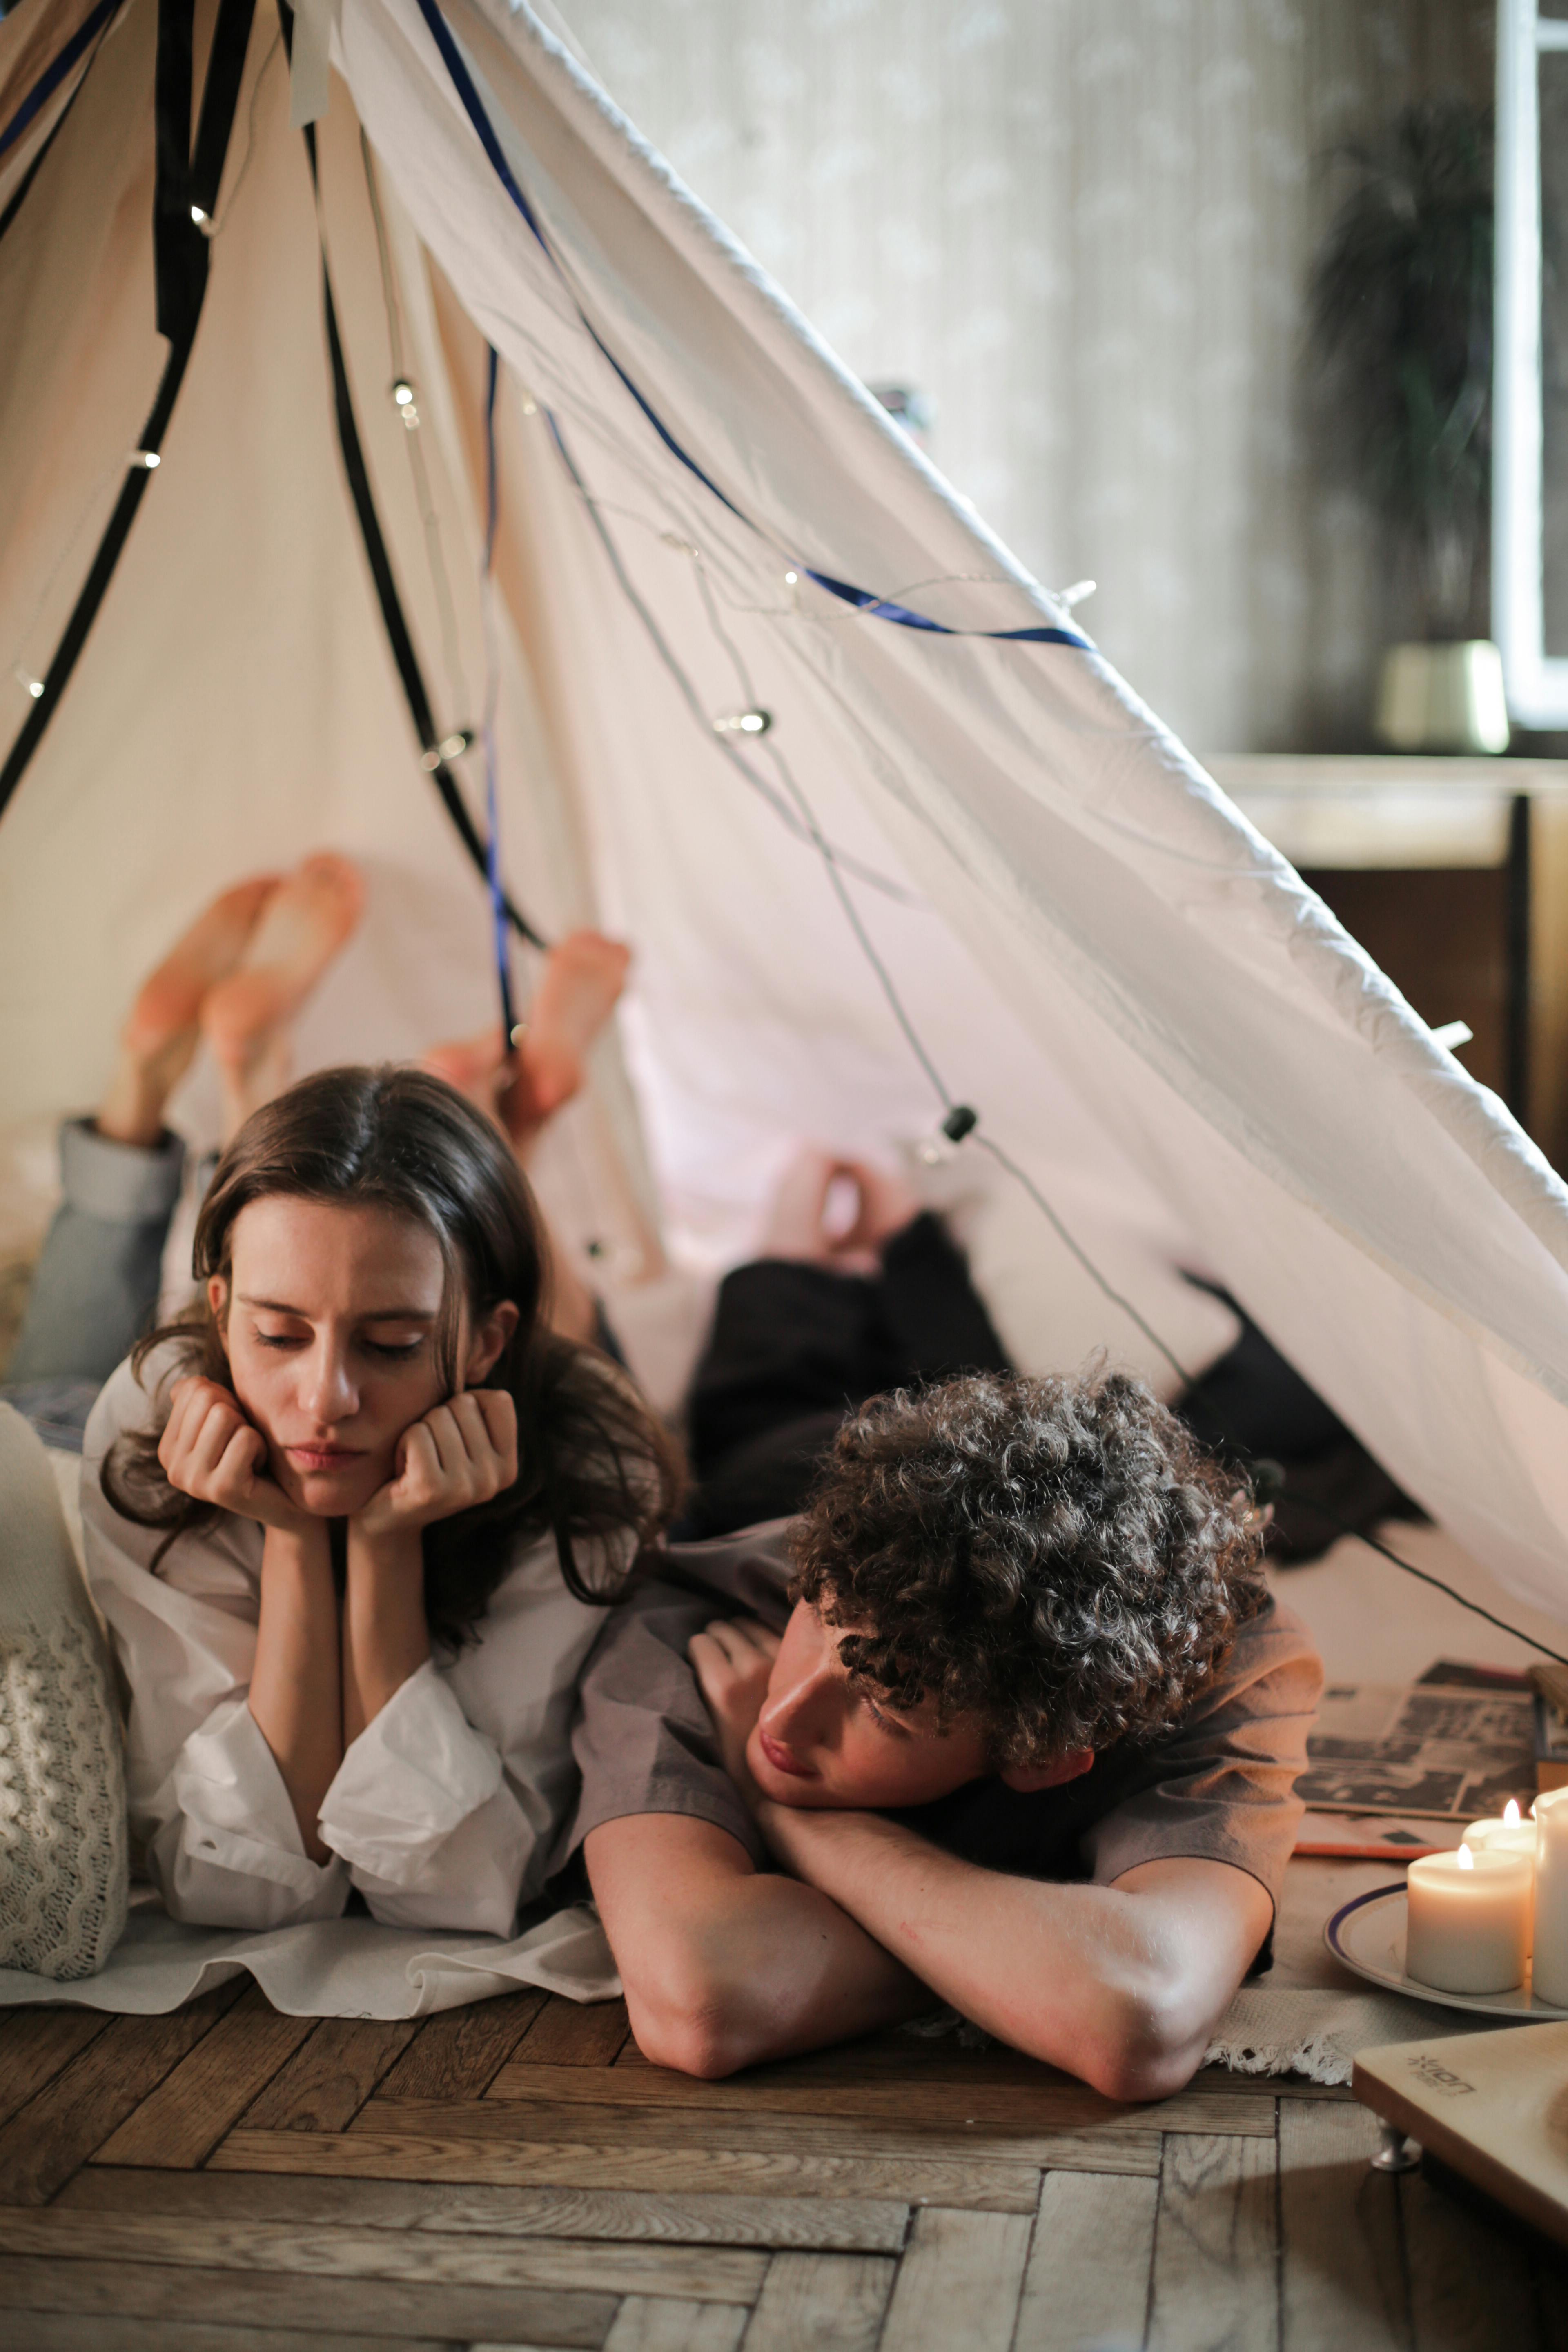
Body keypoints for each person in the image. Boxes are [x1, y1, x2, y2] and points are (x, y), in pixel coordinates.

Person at [564, 1176, 1323, 2101]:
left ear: (1043, 1761)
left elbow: (1141, 2017)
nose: (780, 1713)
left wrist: (793, 1822)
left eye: (881, 1710)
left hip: (991, 1541)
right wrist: (1026, 1959)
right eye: (817, 1618)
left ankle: (890, 1238)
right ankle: (853, 1234)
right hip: (783, 1466)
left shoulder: (1225, 1665)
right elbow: (705, 2004)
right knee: (779, 1322)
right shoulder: (699, 1620)